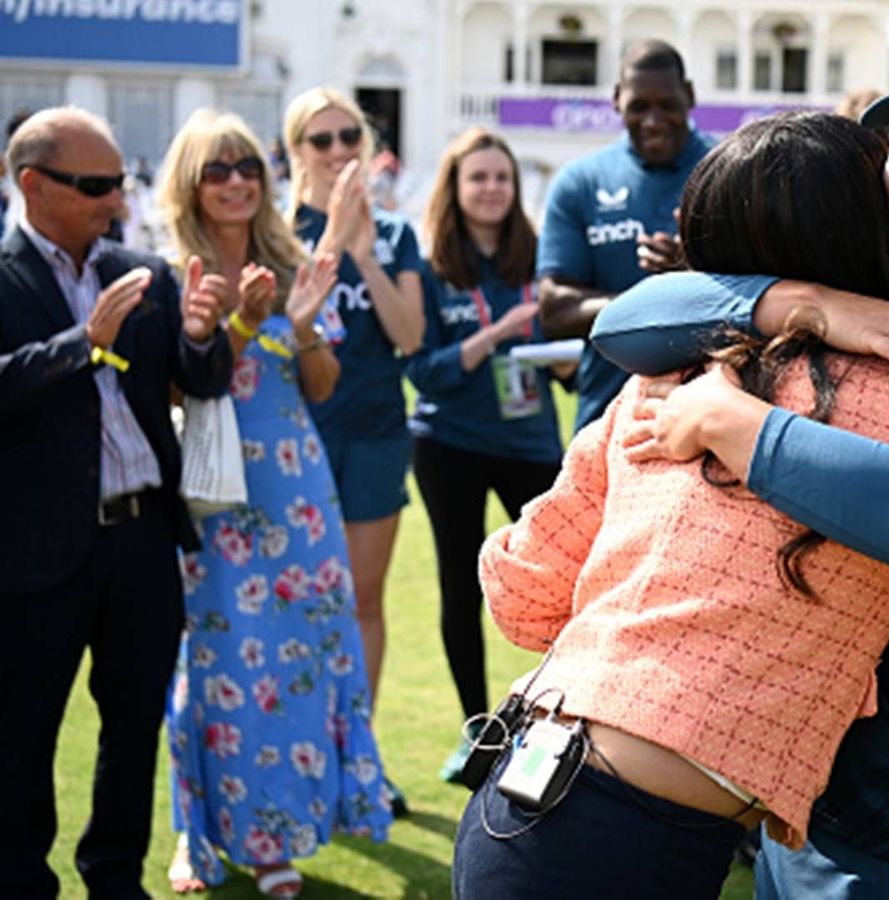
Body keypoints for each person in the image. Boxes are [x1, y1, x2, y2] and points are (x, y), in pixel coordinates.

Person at [457, 109, 889, 900]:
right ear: (870, 228)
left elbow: (518, 592)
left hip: (523, 788)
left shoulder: (665, 381)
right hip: (642, 842)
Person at [155, 108, 393, 898]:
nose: (235, 182)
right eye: (216, 170)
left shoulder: (292, 261)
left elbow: (319, 385)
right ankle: (197, 835)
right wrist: (243, 325)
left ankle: (275, 839)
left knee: (298, 664)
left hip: (296, 490)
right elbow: (170, 387)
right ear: (190, 184)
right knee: (216, 662)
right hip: (212, 494)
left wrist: (300, 329)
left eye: (247, 167)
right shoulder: (170, 271)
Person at [0, 106, 232, 898]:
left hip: (141, 540)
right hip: (35, 552)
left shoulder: (142, 271)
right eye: (96, 184)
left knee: (133, 729)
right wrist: (80, 345)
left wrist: (202, 335)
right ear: (30, 184)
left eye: (119, 181)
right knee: (23, 737)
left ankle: (115, 879)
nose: (115, 198)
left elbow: (198, 383)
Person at [406, 127, 565, 784]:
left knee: (562, 587)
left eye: (502, 177)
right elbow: (425, 371)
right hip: (450, 445)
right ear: (455, 187)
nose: (492, 188)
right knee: (459, 587)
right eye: (478, 177)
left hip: (531, 445)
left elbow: (570, 364)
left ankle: (562, 720)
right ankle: (479, 730)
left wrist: (559, 358)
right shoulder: (429, 266)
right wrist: (494, 336)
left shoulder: (540, 262)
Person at [285, 87, 425, 810]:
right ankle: (295, 752)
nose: (340, 153)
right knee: (299, 604)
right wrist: (333, 236)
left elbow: (409, 336)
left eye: (350, 138)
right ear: (295, 153)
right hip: (296, 439)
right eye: (322, 141)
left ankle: (356, 756)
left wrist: (365, 253)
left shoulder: (397, 235)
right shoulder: (276, 232)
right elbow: (278, 331)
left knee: (361, 600)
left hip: (373, 433)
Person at [536, 39, 716, 431]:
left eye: (667, 104)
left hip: (710, 414)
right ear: (617, 100)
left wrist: (694, 265)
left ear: (689, 96)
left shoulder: (727, 172)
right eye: (639, 106)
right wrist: (652, 305)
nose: (653, 120)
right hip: (606, 417)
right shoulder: (579, 182)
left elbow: (764, 288)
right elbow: (554, 310)